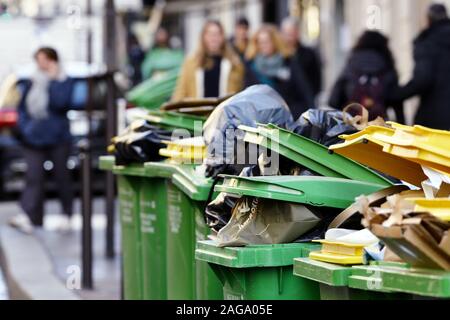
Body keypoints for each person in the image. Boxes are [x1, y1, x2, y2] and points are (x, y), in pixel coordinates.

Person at [9, 47, 76, 233]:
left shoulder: (64, 81)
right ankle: (31, 216)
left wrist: (53, 81)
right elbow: (22, 107)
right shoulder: (31, 81)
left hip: (58, 137)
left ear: (53, 61)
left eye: (45, 59)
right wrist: (25, 128)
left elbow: (60, 103)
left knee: (62, 177)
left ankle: (67, 214)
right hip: (33, 137)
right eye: (38, 59)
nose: (41, 63)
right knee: (33, 177)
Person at [393, 3, 450, 129]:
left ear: (428, 19)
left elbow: (423, 79)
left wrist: (397, 94)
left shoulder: (428, 42)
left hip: (436, 117)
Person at [328, 30, 404, 122]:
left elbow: (333, 100)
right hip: (379, 127)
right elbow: (397, 101)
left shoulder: (351, 65)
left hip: (352, 126)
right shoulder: (387, 67)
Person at [245, 24, 315, 119]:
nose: (263, 46)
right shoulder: (251, 66)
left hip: (289, 118)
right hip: (261, 120)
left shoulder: (288, 62)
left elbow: (304, 92)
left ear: (275, 42)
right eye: (260, 42)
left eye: (266, 42)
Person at [172, 20, 244, 101]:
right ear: (203, 37)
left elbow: (239, 95)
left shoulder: (234, 64)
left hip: (223, 112)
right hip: (197, 112)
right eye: (210, 34)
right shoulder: (191, 62)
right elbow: (180, 91)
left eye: (217, 34)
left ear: (222, 37)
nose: (213, 38)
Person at [281, 17, 322, 100]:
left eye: (292, 33)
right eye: (287, 34)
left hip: (305, 100)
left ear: (297, 33)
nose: (289, 37)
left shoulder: (308, 53)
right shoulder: (279, 55)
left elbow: (317, 77)